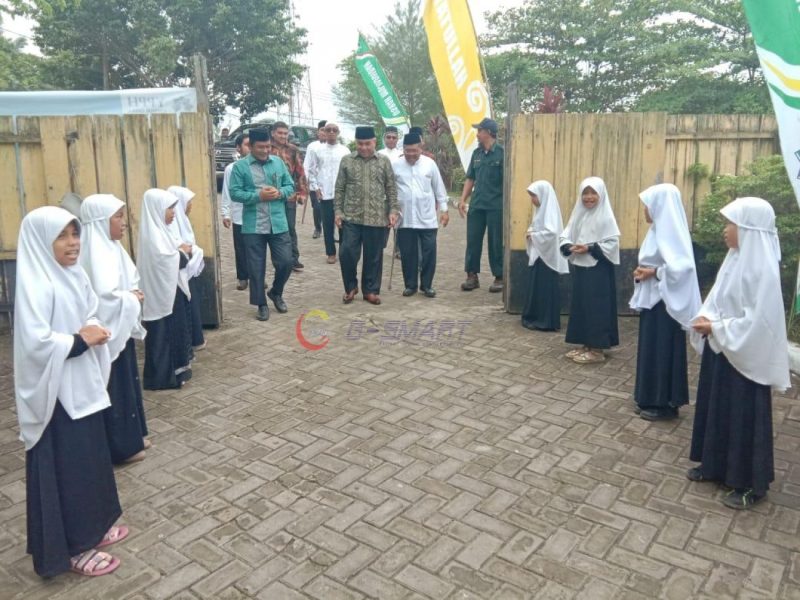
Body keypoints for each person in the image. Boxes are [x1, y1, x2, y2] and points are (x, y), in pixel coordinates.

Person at [15, 206, 126, 578]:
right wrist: (80, 340)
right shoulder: (37, 284)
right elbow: (35, 343)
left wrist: (94, 328)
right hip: (56, 397)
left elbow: (89, 310)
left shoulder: (73, 274)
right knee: (70, 468)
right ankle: (76, 547)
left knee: (91, 459)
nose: (73, 243)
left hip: (82, 385)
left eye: (75, 233)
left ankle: (95, 526)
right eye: (61, 236)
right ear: (41, 242)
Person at [688, 197, 790, 510]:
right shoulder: (735, 259)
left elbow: (758, 324)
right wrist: (706, 317)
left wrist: (716, 327)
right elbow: (717, 298)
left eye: (731, 224)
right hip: (723, 349)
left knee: (743, 416)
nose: (725, 230)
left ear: (748, 228)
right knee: (717, 407)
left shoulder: (763, 272)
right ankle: (715, 465)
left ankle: (750, 484)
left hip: (746, 359)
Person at [79, 194, 150, 464]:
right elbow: (104, 297)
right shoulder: (95, 253)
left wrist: (131, 295)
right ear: (100, 221)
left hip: (121, 327)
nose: (124, 223)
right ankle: (122, 447)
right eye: (117, 217)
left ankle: (134, 435)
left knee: (128, 383)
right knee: (115, 387)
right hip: (106, 333)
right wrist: (131, 298)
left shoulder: (113, 248)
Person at [629, 184, 701, 421]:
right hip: (654, 300)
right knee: (651, 349)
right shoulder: (656, 230)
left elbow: (683, 268)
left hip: (665, 303)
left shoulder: (672, 232)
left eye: (647, 206)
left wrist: (654, 273)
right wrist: (644, 272)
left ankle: (664, 404)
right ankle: (648, 397)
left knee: (662, 350)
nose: (644, 211)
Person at [229, 127, 295, 321]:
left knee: (286, 262)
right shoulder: (240, 167)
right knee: (256, 268)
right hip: (253, 225)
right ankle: (261, 304)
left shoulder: (278, 163)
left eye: (268, 146)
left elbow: (290, 185)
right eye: (261, 147)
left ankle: (276, 292)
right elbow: (235, 193)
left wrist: (280, 193)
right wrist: (259, 196)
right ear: (251, 146)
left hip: (278, 222)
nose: (266, 150)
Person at [335, 125, 400, 305]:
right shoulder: (347, 160)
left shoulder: (384, 161)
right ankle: (350, 287)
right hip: (351, 216)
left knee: (374, 257)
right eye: (360, 143)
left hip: (376, 217)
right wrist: (338, 211)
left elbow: (391, 188)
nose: (363, 147)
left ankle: (370, 290)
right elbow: (339, 188)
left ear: (374, 142)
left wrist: (393, 211)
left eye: (367, 144)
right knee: (347, 253)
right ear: (356, 143)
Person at [560, 177, 620, 364]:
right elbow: (566, 234)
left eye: (593, 193)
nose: (589, 197)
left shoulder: (606, 217)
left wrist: (590, 248)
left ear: (601, 194)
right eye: (585, 193)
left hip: (599, 270)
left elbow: (612, 244)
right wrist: (568, 246)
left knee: (597, 307)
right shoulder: (578, 213)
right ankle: (586, 344)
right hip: (581, 267)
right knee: (582, 305)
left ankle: (597, 349)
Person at [138, 188, 193, 388]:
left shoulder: (162, 231)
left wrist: (182, 250)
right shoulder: (152, 236)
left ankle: (178, 369)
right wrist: (182, 253)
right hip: (161, 294)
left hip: (170, 290)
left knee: (176, 330)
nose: (173, 213)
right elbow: (168, 260)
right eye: (169, 209)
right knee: (162, 334)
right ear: (157, 209)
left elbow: (175, 250)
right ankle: (161, 378)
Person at [392, 132, 448, 297]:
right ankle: (410, 285)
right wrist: (391, 210)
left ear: (420, 148)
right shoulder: (395, 165)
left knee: (429, 253)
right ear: (403, 149)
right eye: (407, 150)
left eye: (414, 150)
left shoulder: (430, 164)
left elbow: (439, 188)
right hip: (405, 218)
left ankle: (426, 285)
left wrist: (444, 210)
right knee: (408, 254)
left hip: (427, 218)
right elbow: (390, 190)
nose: (411, 154)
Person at [458, 118, 504, 293]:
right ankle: (472, 276)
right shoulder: (476, 154)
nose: (477, 134)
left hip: (495, 206)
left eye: (480, 131)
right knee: (473, 241)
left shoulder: (502, 153)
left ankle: (499, 276)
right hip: (477, 205)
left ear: (489, 133)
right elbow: (470, 178)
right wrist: (463, 199)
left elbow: (507, 181)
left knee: (495, 242)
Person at [522, 181, 568, 331]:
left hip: (546, 258)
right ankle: (536, 317)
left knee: (545, 289)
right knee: (538, 288)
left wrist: (533, 235)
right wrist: (532, 233)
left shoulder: (550, 212)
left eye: (534, 196)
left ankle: (545, 321)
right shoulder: (541, 211)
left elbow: (551, 233)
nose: (532, 200)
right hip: (540, 256)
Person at [167, 185, 206, 351]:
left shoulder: (181, 219)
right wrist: (191, 250)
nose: (190, 206)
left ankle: (196, 339)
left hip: (187, 268)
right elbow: (177, 245)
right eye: (188, 202)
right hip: (179, 271)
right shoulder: (171, 224)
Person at [307, 122, 350, 264]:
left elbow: (350, 172)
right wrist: (315, 188)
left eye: (334, 130)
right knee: (327, 225)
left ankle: (343, 251)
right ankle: (331, 253)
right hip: (325, 193)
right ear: (324, 132)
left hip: (342, 194)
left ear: (338, 132)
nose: (331, 132)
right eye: (328, 130)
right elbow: (311, 170)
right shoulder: (317, 150)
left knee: (343, 224)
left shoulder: (345, 151)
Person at [271, 121, 308, 272]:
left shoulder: (293, 150)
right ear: (273, 133)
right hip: (271, 195)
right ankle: (279, 260)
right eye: (280, 133)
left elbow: (300, 172)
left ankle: (293, 259)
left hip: (290, 195)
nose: (282, 136)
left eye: (285, 133)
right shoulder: (267, 148)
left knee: (290, 227)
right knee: (274, 229)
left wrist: (302, 192)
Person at [221, 133, 250, 290]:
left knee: (257, 249)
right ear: (238, 148)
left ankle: (257, 276)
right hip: (239, 215)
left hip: (258, 215)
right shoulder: (231, 169)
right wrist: (225, 213)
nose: (250, 148)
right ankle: (242, 277)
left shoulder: (260, 166)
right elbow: (226, 191)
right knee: (240, 248)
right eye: (247, 145)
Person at [304, 119, 327, 239]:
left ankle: (329, 230)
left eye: (326, 130)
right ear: (318, 132)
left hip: (329, 184)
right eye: (322, 130)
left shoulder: (335, 147)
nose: (324, 132)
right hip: (315, 183)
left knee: (330, 209)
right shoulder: (312, 146)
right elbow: (307, 164)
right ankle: (318, 228)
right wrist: (306, 181)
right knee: (317, 208)